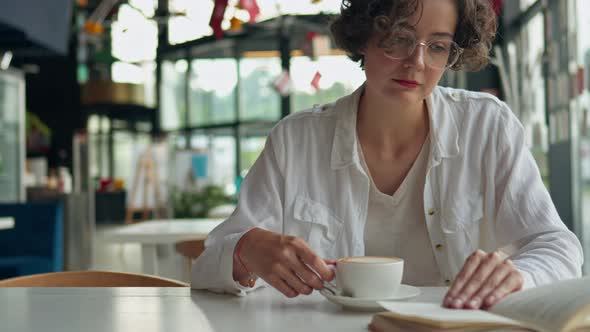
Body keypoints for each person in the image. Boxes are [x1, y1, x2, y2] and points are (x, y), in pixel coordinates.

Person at [192, 0, 583, 310]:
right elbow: (207, 268)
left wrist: (518, 276)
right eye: (399, 37)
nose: (416, 62)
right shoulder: (296, 140)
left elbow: (558, 246)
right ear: (364, 36)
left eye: (438, 46)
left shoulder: (488, 127)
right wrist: (244, 252)